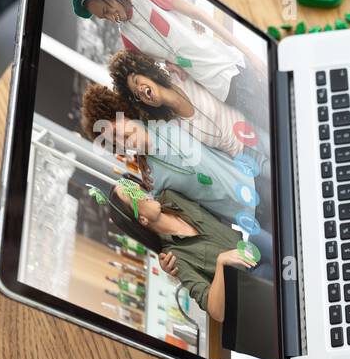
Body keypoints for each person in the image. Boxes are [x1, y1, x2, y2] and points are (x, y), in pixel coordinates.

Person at [51, 0, 267, 122]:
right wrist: (171, 64)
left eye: (107, 9)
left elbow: (196, 13)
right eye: (103, 17)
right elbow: (161, 63)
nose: (111, 17)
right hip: (223, 92)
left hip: (233, 66)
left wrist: (250, 54)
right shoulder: (127, 37)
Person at [80, 83, 268, 237]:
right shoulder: (154, 182)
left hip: (254, 176)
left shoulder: (167, 117)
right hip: (251, 219)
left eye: (114, 130)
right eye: (114, 142)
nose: (121, 139)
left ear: (120, 113)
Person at [103, 180, 257, 324]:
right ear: (142, 220)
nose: (139, 190)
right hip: (252, 287)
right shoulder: (174, 258)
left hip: (254, 247)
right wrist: (220, 263)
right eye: (132, 195)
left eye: (134, 186)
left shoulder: (172, 197)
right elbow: (217, 312)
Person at [107, 49, 263, 157]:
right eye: (136, 94)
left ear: (146, 73)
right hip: (243, 157)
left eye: (137, 81)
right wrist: (141, 158)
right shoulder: (170, 125)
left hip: (253, 127)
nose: (140, 90)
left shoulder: (180, 74)